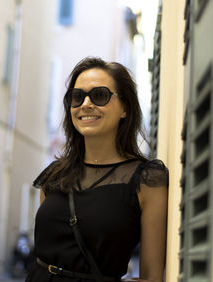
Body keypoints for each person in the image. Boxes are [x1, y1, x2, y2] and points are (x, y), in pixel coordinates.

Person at [25, 57, 168, 282]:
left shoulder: (147, 181)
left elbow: (152, 277)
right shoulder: (54, 175)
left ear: (125, 108)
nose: (86, 104)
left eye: (99, 95)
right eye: (77, 97)